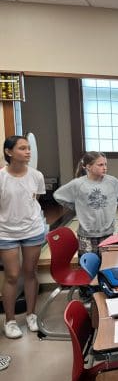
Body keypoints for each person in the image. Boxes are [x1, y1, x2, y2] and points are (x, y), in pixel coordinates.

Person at [0, 135, 47, 339]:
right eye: (22, 148)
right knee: (12, 275)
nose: (28, 152)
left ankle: (31, 315)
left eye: (28, 148)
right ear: (9, 152)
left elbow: (34, 199)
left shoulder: (36, 176)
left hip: (32, 229)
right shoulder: (1, 177)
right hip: (6, 231)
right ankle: (10, 321)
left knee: (30, 273)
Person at [54, 152, 118, 257]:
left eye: (105, 164)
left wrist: (112, 206)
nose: (105, 168)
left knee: (107, 262)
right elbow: (58, 195)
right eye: (100, 165)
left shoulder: (112, 181)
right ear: (88, 167)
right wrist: (76, 207)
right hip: (86, 234)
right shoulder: (78, 184)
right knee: (87, 264)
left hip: (107, 232)